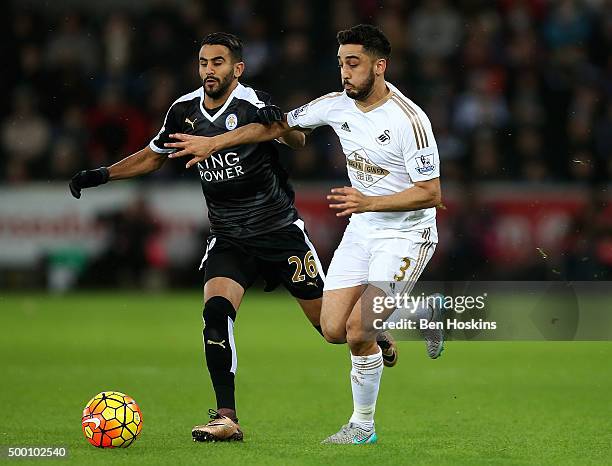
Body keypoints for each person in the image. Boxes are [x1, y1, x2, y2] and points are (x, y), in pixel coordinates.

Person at [68, 31, 397, 443]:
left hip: (280, 235)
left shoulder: (252, 105)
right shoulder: (183, 110)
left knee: (332, 331)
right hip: (229, 237)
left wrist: (279, 127)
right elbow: (155, 155)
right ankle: (226, 417)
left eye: (218, 63)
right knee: (215, 315)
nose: (209, 70)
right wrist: (103, 174)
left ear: (236, 69)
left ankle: (375, 329)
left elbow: (298, 138)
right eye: (204, 62)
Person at [164, 24, 445, 444]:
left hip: (406, 234)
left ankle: (362, 426)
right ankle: (419, 311)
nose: (345, 73)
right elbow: (279, 128)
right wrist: (218, 142)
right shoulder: (336, 105)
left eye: (353, 64)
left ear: (379, 66)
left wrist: (368, 202)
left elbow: (431, 193)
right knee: (333, 329)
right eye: (340, 64)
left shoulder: (410, 120)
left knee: (358, 329)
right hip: (362, 228)